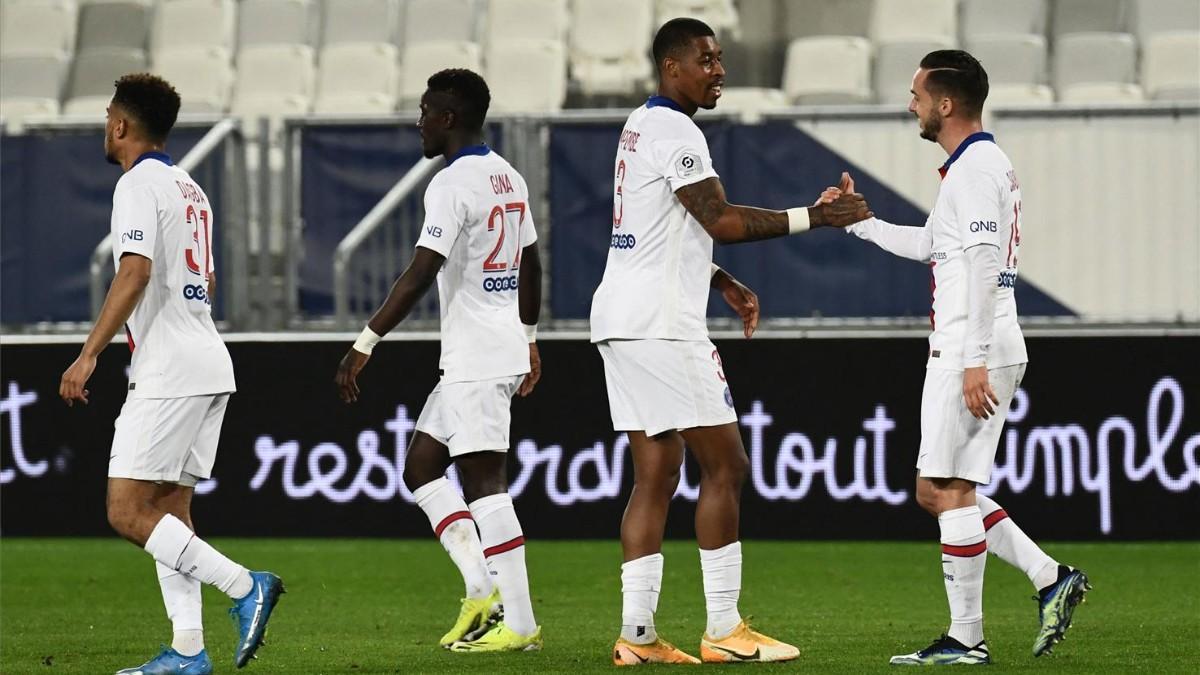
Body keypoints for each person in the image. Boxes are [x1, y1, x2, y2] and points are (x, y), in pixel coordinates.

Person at [590, 18, 873, 666]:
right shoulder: (675, 130)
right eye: (706, 60)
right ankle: (723, 626)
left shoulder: (638, 127)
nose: (719, 69)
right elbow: (716, 216)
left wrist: (715, 277)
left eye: (720, 59)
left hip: (620, 317)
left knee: (655, 474)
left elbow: (661, 228)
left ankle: (637, 637)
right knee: (727, 465)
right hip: (662, 325)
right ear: (671, 68)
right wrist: (818, 215)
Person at [825, 50, 1091, 666]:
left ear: (945, 104)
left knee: (945, 490)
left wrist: (972, 361)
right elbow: (934, 247)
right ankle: (1050, 577)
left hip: (972, 346)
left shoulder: (974, 170)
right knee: (941, 490)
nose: (911, 103)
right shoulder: (976, 165)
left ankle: (968, 637)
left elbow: (979, 267)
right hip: (980, 343)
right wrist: (860, 223)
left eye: (918, 93)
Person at [59, 74, 284, 675]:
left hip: (169, 369)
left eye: (109, 114)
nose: (106, 124)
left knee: (126, 511)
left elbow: (133, 272)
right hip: (207, 359)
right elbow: (204, 281)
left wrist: (89, 354)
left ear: (122, 125)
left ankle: (244, 586)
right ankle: (188, 652)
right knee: (169, 513)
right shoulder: (191, 188)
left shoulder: (136, 184)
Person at [335, 68, 543, 654]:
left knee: (485, 483)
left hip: (478, 353)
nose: (419, 122)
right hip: (489, 347)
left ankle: (521, 624)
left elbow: (421, 271)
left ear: (449, 118)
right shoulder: (507, 175)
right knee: (422, 467)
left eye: (426, 111)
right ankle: (481, 589)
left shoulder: (452, 185)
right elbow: (531, 262)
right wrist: (529, 336)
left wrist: (365, 341)